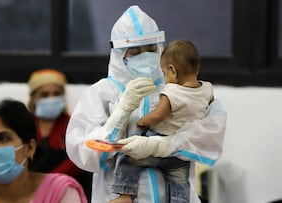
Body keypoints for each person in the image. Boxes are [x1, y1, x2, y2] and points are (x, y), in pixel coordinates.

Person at [65, 5, 227, 203]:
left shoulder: (179, 88)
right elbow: (85, 153)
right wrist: (121, 113)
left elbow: (211, 134)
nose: (145, 56)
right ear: (119, 54)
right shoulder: (102, 93)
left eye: (151, 49)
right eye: (135, 51)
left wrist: (164, 145)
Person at [111, 40, 214, 203]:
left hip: (157, 144)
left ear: (172, 70)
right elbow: (209, 113)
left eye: (165, 73)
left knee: (128, 156)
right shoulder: (207, 89)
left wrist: (143, 121)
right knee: (180, 184)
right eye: (135, 51)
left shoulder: (171, 92)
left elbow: (158, 115)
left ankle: (125, 195)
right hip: (180, 154)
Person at [27, 69, 92, 200]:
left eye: (56, 94)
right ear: (34, 99)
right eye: (45, 95)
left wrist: (49, 183)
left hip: (68, 191)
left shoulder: (74, 124)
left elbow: (77, 160)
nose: (51, 99)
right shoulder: (24, 125)